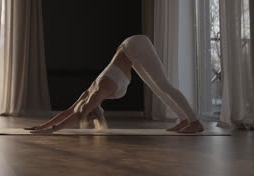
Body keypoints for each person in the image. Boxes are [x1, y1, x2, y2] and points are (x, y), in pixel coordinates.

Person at [25, 35, 204, 134]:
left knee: (164, 85)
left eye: (91, 118)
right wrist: (44, 126)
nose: (91, 118)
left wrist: (53, 130)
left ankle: (194, 121)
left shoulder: (98, 93)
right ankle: (183, 119)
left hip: (134, 46)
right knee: (158, 87)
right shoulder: (90, 92)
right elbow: (71, 111)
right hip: (130, 49)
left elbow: (79, 113)